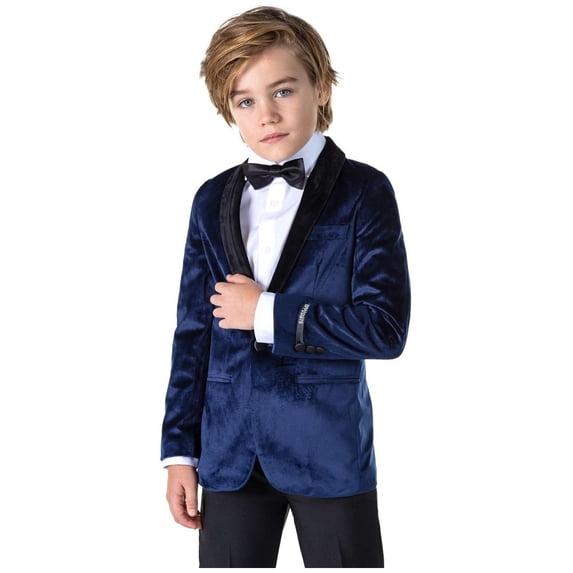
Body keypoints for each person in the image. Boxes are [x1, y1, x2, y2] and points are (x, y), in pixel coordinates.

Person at [161, 6, 410, 568]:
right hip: (229, 455)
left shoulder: (364, 191)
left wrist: (265, 313)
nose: (267, 115)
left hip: (328, 451)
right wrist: (179, 451)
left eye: (283, 91)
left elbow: (385, 328)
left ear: (320, 87)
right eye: (245, 101)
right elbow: (192, 334)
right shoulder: (210, 198)